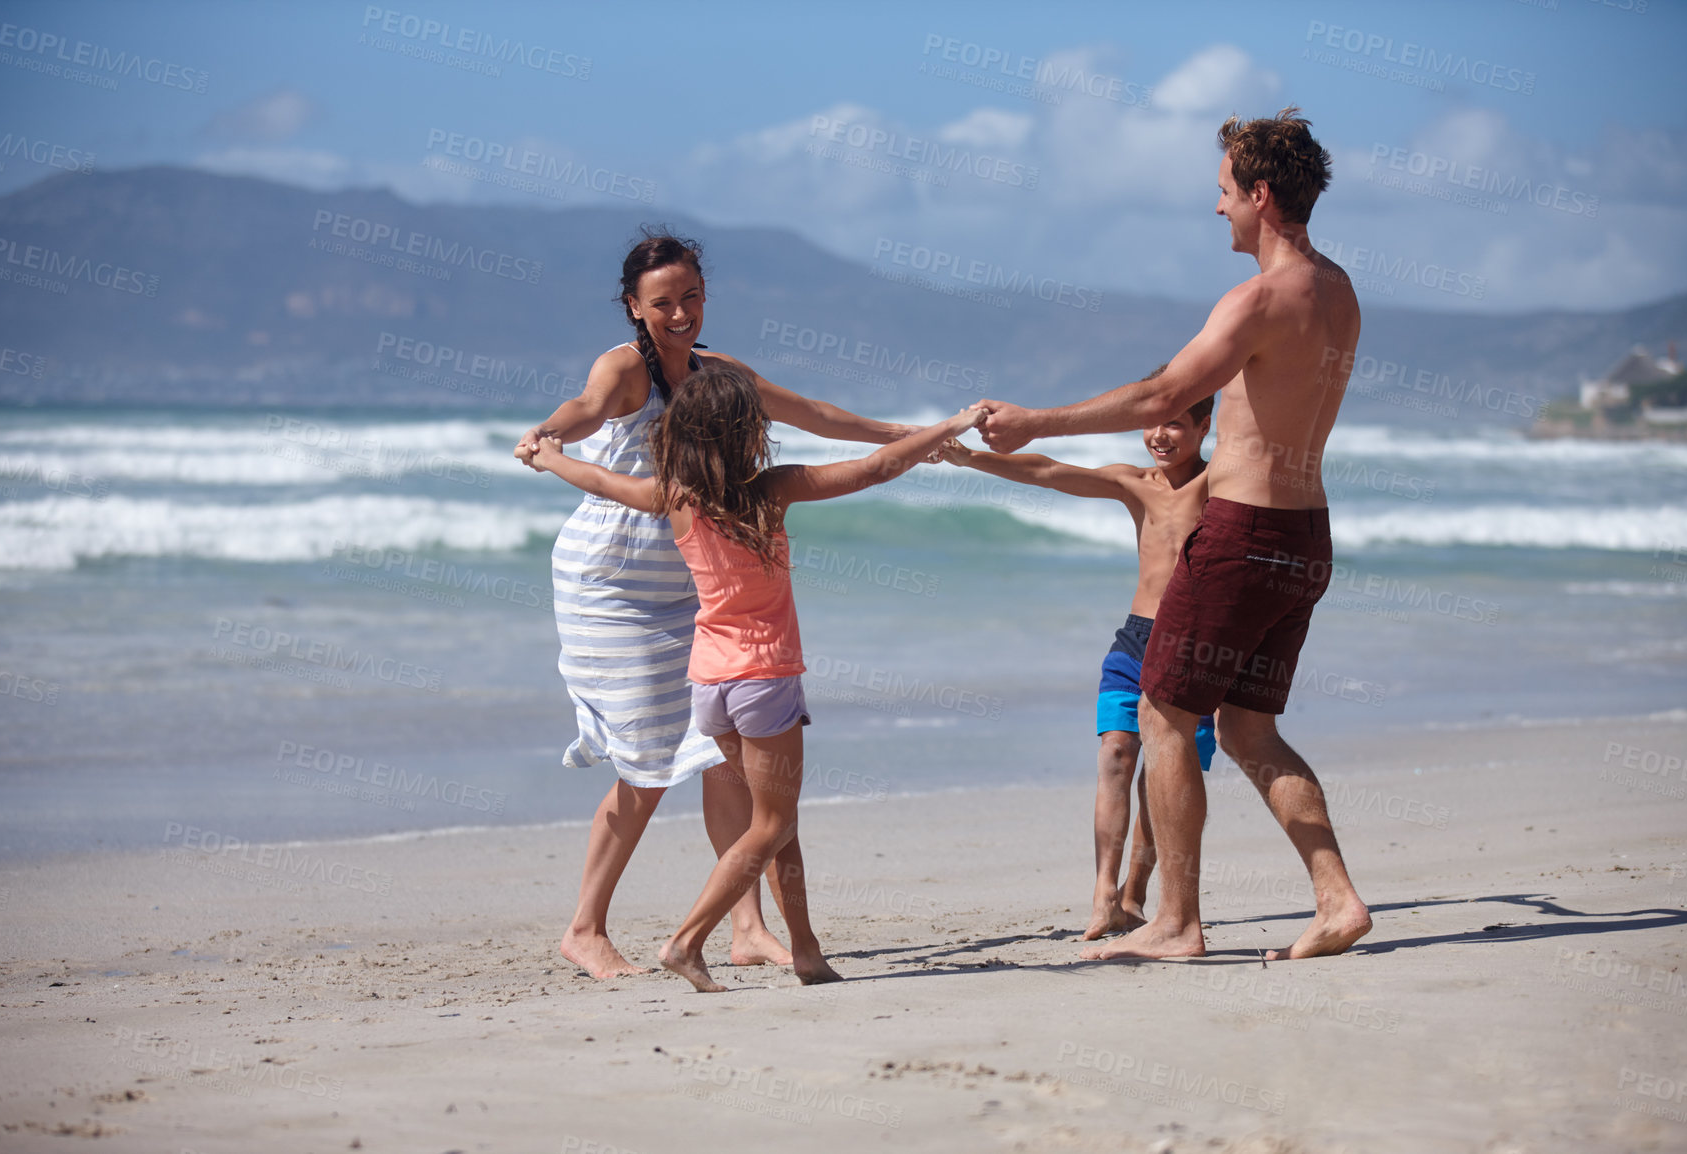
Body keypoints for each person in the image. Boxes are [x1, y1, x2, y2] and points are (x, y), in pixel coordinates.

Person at [975, 107, 1372, 962]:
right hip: (1307, 534)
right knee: (1249, 728)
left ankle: (1176, 923)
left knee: (1162, 709)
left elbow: (1164, 398)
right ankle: (1336, 899)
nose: (1217, 208)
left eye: (1225, 192)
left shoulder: (1260, 297)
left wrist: (1036, 420)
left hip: (1243, 535)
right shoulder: (1340, 293)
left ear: (1261, 195)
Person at [513, 230, 913, 979]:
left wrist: (910, 434)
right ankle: (585, 927)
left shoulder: (720, 374)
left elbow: (817, 416)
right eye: (662, 302)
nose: (680, 313)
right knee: (648, 761)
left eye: (691, 296)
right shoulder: (625, 367)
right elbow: (586, 408)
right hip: (611, 582)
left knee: (722, 758)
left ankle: (748, 928)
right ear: (634, 306)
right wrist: (546, 436)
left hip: (692, 584)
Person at [531, 362, 988, 990]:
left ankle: (806, 950)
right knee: (770, 824)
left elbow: (599, 479)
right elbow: (877, 468)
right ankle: (688, 941)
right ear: (750, 432)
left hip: (710, 684)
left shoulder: (674, 495)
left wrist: (549, 456)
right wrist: (952, 424)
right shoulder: (770, 489)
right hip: (765, 678)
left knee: (779, 822)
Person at [939, 376, 1218, 941]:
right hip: (1137, 638)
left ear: (1204, 426)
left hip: (1195, 646)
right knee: (1117, 755)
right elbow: (1048, 472)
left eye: (1175, 424)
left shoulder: (1224, 485)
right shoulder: (1135, 483)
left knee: (1163, 776)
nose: (1159, 436)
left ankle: (1139, 889)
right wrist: (970, 460)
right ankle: (1104, 896)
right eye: (1152, 422)